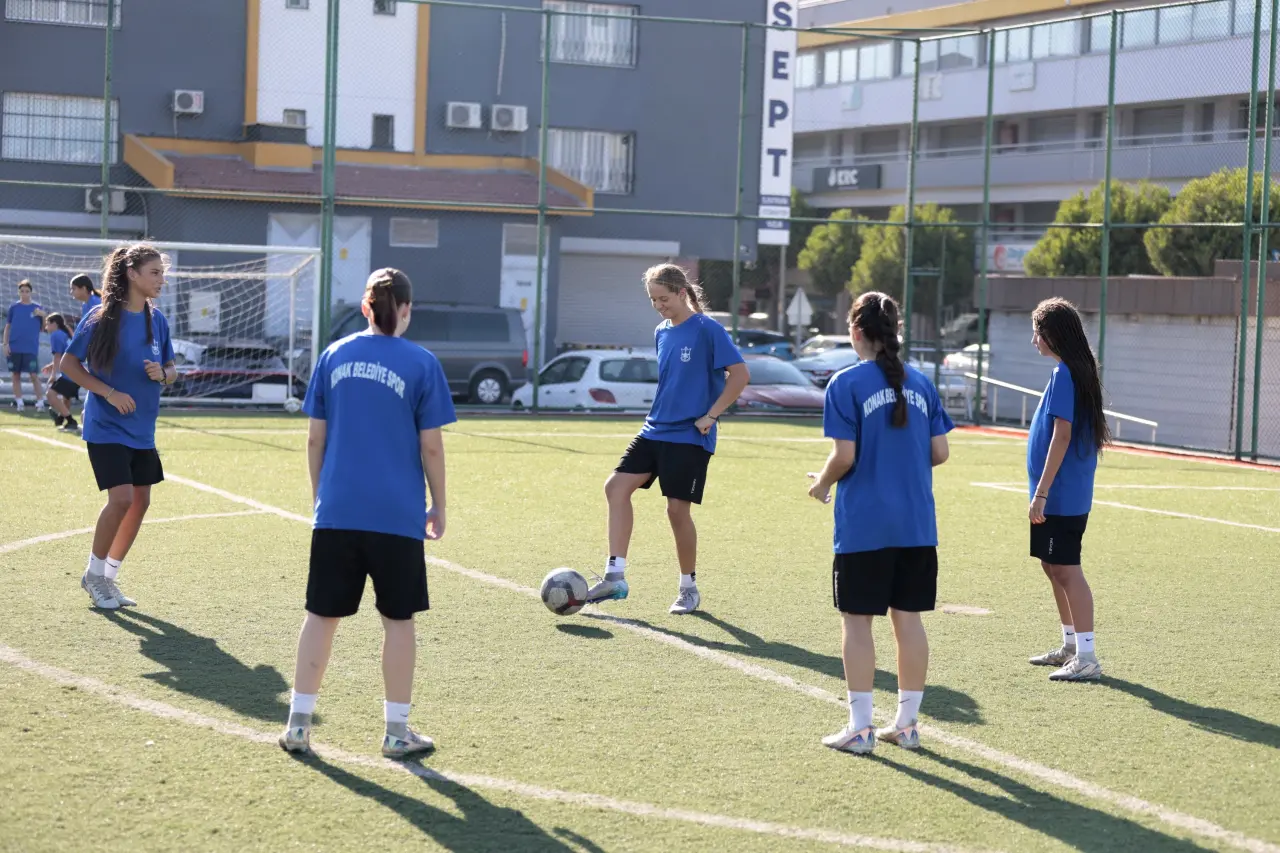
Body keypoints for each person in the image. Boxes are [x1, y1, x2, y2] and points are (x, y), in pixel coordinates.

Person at [279, 268, 455, 759]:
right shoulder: (421, 363)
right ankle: (397, 733)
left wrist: (323, 497)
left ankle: (298, 725)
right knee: (398, 622)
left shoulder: (333, 356)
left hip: (336, 512)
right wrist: (439, 504)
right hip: (397, 517)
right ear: (405, 309)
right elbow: (432, 449)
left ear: (364, 308)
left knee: (321, 616)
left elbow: (314, 438)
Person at [806, 292, 953, 755]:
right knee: (906, 619)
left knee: (857, 622)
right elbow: (940, 453)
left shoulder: (845, 383)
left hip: (866, 524)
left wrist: (821, 484)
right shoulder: (922, 383)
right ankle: (906, 726)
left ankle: (861, 728)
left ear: (855, 332)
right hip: (916, 524)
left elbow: (844, 456)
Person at [586, 263, 749, 615]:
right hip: (654, 429)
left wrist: (711, 415)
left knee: (676, 511)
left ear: (681, 292)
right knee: (615, 487)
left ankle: (688, 587)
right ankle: (615, 576)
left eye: (664, 298)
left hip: (691, 435)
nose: (659, 305)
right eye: (653, 300)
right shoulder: (662, 332)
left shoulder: (708, 330)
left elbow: (739, 375)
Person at [59, 244, 177, 611]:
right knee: (122, 498)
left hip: (143, 429)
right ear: (132, 274)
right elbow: (69, 365)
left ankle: (108, 578)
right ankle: (93, 575)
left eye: (162, 272)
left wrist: (165, 374)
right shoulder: (99, 317)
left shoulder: (157, 320)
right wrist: (109, 393)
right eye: (155, 272)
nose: (162, 279)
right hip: (106, 426)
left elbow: (171, 369)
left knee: (140, 502)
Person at [1026, 297, 1110, 682]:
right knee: (1051, 566)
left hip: (1061, 495)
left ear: (1053, 335)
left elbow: (1061, 435)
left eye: (1037, 333)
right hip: (1059, 493)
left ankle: (1088, 656)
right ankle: (1071, 645)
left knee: (1067, 569)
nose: (1034, 341)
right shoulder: (1070, 372)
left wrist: (1042, 491)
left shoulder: (1066, 375)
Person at [4, 280, 47, 413]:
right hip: (15, 347)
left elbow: (44, 327)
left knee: (34, 375)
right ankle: (19, 402)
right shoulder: (14, 308)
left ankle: (40, 402)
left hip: (30, 348)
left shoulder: (37, 308)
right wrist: (5, 344)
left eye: (27, 291)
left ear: (31, 292)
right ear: (19, 292)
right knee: (15, 375)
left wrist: (43, 316)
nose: (24, 294)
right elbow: (7, 327)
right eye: (22, 291)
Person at [42, 312, 80, 432]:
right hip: (77, 372)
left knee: (50, 394)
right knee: (66, 397)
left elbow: (58, 356)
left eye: (48, 324)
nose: (46, 327)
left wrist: (53, 375)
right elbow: (65, 355)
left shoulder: (56, 335)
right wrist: (52, 365)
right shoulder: (64, 334)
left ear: (55, 324)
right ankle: (62, 418)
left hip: (71, 373)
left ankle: (70, 420)